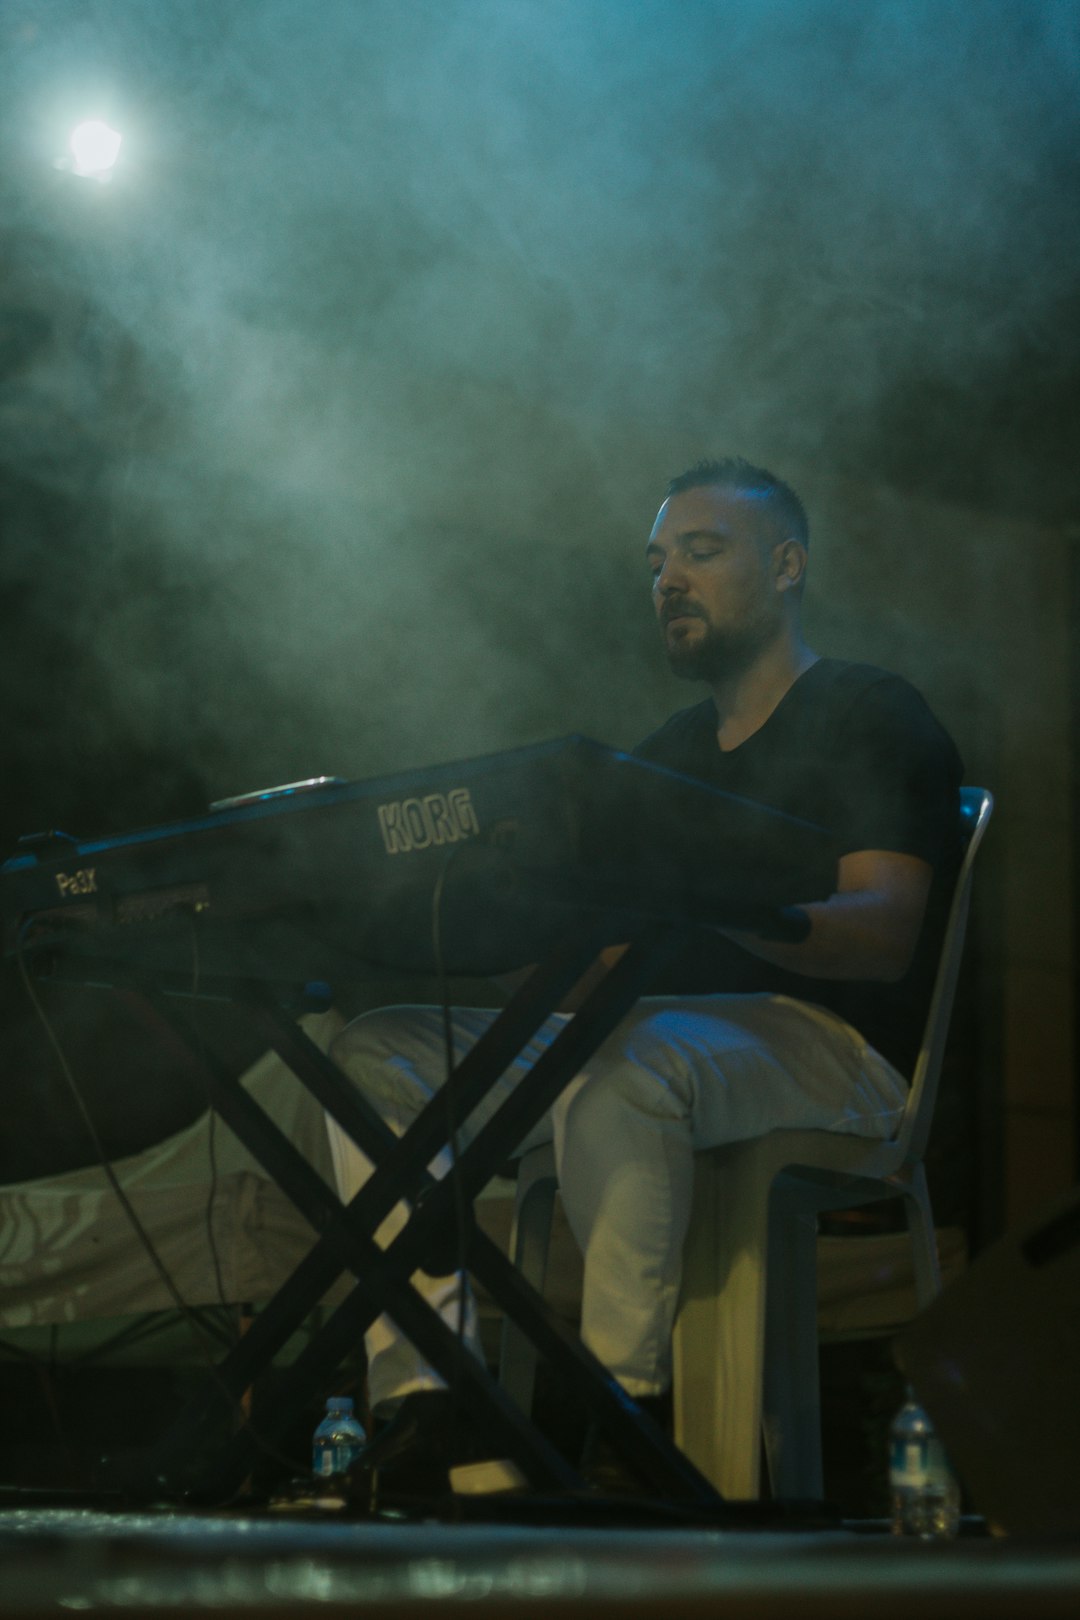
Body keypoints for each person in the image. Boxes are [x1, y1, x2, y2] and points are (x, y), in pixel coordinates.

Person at [325, 456, 963, 1493]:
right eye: (657, 561)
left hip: (835, 1049)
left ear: (789, 564)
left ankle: (619, 1426)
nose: (669, 579)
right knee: (374, 1049)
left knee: (627, 1069)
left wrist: (726, 905)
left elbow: (884, 933)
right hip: (656, 1030)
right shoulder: (666, 754)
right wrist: (469, 919)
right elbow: (595, 980)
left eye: (702, 553)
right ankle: (430, 1397)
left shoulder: (869, 710)